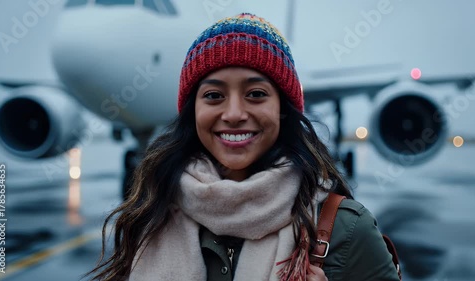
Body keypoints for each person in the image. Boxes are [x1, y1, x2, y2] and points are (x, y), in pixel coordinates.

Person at [88, 13, 400, 281]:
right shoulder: (152, 212)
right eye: (213, 96)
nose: (234, 114)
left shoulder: (347, 229)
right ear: (192, 112)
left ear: (283, 108)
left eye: (256, 94)